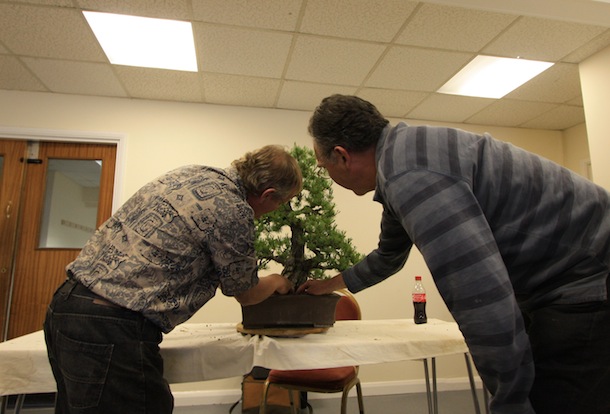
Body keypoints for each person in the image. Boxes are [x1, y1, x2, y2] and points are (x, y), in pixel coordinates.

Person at [297, 94, 610, 414]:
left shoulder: (411, 176)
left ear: (342, 156)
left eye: (323, 167)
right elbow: (388, 256)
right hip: (565, 273)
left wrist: (510, 401)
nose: (326, 175)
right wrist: (330, 284)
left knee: (557, 400)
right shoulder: (402, 157)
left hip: (587, 274)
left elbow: (480, 296)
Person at [43, 145, 302, 414]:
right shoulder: (233, 208)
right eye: (280, 203)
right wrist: (277, 281)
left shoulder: (194, 173)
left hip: (67, 303)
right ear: (268, 194)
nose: (276, 210)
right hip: (110, 323)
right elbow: (246, 293)